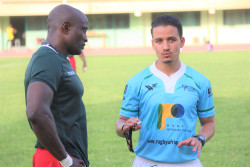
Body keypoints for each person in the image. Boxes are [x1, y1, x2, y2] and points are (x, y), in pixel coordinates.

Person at [116, 14, 215, 167]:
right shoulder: (136, 82)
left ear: (181, 42)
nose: (165, 47)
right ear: (152, 44)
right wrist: (125, 127)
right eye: (159, 41)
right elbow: (121, 123)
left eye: (171, 39)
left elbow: (209, 123)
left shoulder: (200, 81)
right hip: (146, 162)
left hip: (188, 163)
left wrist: (200, 138)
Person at [24, 4, 89, 167]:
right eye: (83, 30)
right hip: (56, 158)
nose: (86, 37)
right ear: (66, 27)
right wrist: (65, 160)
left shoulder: (58, 58)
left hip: (62, 156)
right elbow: (36, 111)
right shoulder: (47, 59)